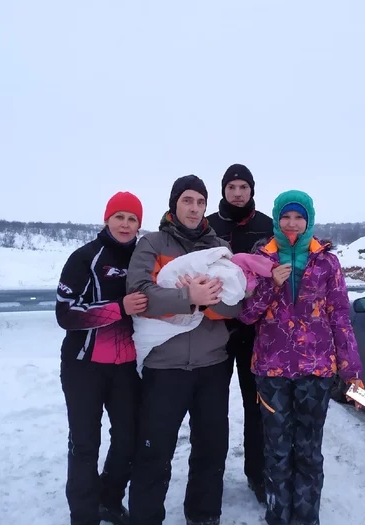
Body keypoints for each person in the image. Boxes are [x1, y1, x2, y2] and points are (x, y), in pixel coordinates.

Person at [238, 189, 364, 525]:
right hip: (271, 371)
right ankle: (278, 515)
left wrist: (351, 368)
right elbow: (246, 314)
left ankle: (307, 516)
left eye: (299, 217)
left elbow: (340, 316)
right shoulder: (259, 259)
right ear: (277, 218)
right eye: (286, 217)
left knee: (308, 450)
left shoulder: (327, 262)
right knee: (277, 450)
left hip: (316, 370)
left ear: (308, 221)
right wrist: (269, 285)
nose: (292, 224)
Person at [126, 175, 244, 525]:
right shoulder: (151, 243)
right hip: (165, 367)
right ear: (174, 203)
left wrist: (206, 301)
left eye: (200, 202)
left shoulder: (219, 247)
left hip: (212, 364)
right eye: (187, 201)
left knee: (211, 448)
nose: (194, 208)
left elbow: (235, 306)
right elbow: (140, 294)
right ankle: (146, 517)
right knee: (154, 450)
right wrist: (187, 297)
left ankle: (204, 515)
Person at [56, 192, 148, 525]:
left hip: (126, 367)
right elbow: (66, 315)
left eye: (133, 218)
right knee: (85, 444)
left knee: (128, 439)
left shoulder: (144, 257)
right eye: (119, 217)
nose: (126, 224)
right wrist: (117, 309)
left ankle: (108, 500)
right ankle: (83, 515)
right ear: (107, 219)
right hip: (84, 366)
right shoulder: (85, 258)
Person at [206, 163, 273, 504]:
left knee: (256, 406)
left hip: (255, 331)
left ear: (251, 191)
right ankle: (210, 478)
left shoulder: (266, 225)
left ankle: (257, 474)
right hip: (216, 329)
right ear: (223, 190)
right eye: (231, 187)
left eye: (243, 187)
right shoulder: (209, 225)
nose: (237, 192)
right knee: (213, 409)